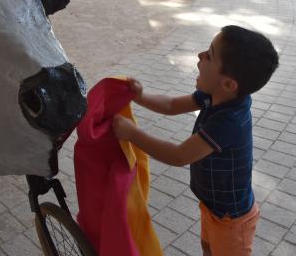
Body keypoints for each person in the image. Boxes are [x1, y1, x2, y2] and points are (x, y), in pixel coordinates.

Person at [112, 25, 279, 256]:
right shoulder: (216, 96)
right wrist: (139, 96)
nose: (200, 56)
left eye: (209, 55)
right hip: (213, 208)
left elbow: (178, 155)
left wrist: (132, 134)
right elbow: (171, 105)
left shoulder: (229, 121)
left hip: (232, 220)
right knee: (208, 249)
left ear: (229, 83)